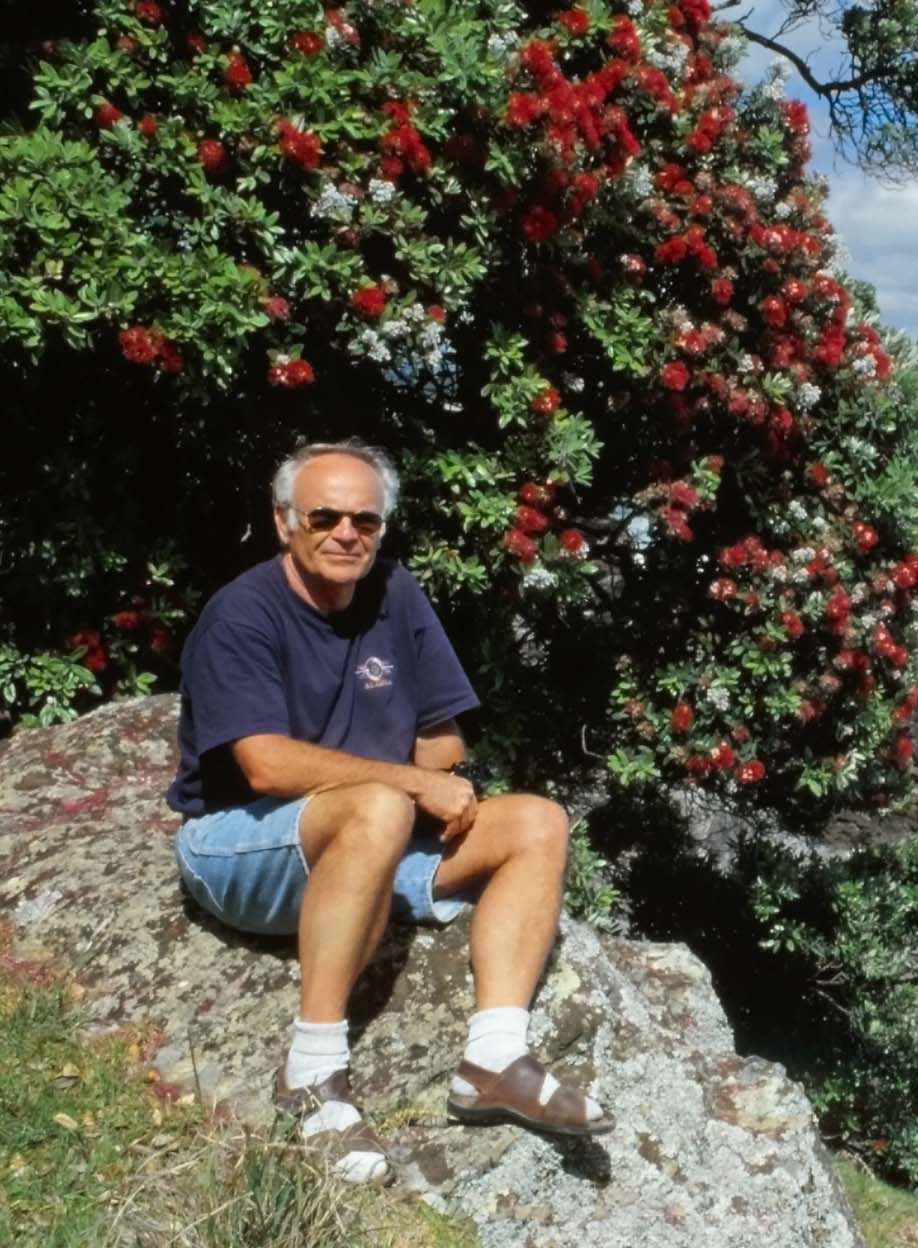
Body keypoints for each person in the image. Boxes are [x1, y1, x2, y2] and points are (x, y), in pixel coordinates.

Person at [166, 440, 611, 1185]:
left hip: (371, 839)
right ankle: (312, 1075)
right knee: (378, 806)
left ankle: (494, 1060)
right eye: (325, 517)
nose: (347, 534)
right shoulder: (240, 614)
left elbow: (442, 735)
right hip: (238, 845)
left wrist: (424, 786)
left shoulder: (394, 592)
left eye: (365, 521)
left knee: (539, 822)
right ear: (284, 522)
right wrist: (403, 785)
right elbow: (265, 765)